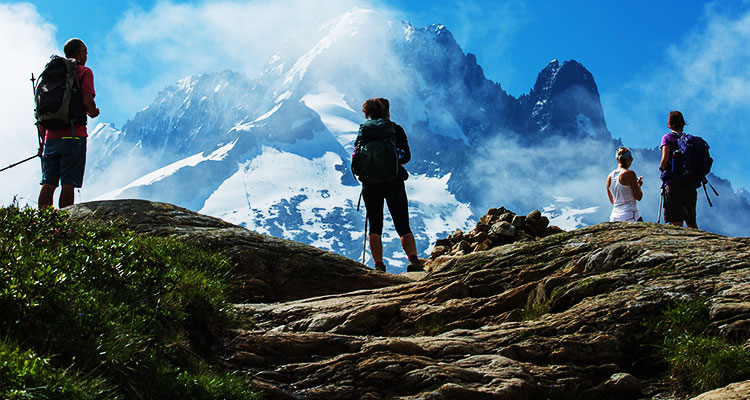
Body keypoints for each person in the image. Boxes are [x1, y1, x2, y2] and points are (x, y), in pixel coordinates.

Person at [355, 98, 423, 272]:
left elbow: (356, 157)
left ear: (367, 113)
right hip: (393, 181)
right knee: (402, 224)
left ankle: (378, 266)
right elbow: (405, 156)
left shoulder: (363, 131)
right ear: (387, 112)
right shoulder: (395, 129)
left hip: (369, 184)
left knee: (375, 225)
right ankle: (413, 261)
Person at [38, 38, 99, 209]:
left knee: (48, 183)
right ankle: (63, 227)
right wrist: (93, 112)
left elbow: (41, 109)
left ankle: (44, 225)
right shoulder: (83, 72)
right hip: (73, 134)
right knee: (68, 183)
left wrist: (45, 140)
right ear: (80, 53)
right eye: (85, 52)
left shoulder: (52, 74)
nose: (86, 55)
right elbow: (87, 101)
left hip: (50, 137)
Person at [659, 110, 698, 228]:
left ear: (669, 124)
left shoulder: (667, 138)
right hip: (690, 184)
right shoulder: (690, 140)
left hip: (673, 184)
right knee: (691, 221)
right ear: (683, 124)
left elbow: (665, 159)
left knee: (676, 221)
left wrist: (662, 169)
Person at [606, 147, 643, 222]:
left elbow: (613, 201)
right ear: (629, 159)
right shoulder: (630, 173)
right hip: (630, 215)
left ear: (617, 160)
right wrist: (638, 185)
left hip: (614, 216)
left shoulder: (609, 177)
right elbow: (639, 197)